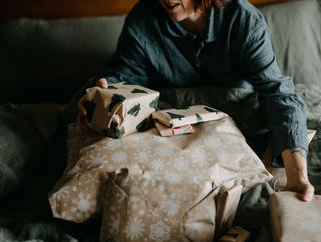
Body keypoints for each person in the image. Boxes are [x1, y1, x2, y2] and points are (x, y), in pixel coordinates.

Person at [76, 0, 314, 201]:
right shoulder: (142, 19)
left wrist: (297, 175)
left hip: (239, 129)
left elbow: (278, 93)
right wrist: (104, 95)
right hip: (173, 133)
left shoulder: (244, 20)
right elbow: (124, 78)